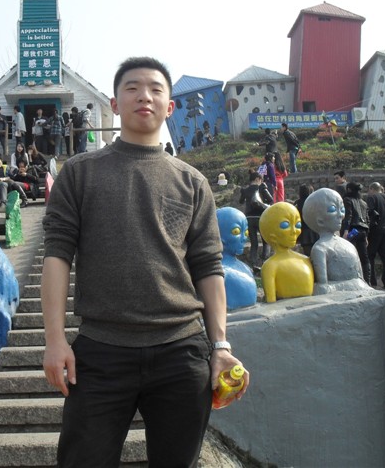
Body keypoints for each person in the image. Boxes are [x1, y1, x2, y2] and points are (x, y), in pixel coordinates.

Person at [42, 56, 248, 467]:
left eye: (155, 89)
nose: (144, 97)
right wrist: (54, 339)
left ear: (169, 107)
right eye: (132, 88)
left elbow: (208, 267)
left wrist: (221, 346)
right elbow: (57, 255)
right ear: (114, 104)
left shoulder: (192, 182)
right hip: (100, 351)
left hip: (181, 351)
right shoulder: (79, 173)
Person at [239, 170, 274, 273]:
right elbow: (271, 199)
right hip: (260, 217)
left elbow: (241, 201)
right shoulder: (261, 188)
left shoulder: (245, 190)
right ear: (258, 179)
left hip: (249, 218)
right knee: (266, 241)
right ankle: (265, 262)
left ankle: (253, 264)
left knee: (254, 243)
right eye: (261, 180)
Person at [366, 182, 385, 290]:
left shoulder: (372, 197)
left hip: (375, 230)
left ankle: (371, 281)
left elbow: (370, 213)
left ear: (372, 189)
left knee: (370, 255)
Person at [342, 182, 371, 285]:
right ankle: (367, 281)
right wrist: (366, 236)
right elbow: (367, 220)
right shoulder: (364, 203)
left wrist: (345, 230)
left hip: (352, 230)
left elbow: (348, 216)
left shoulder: (347, 200)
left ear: (349, 189)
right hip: (363, 231)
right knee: (364, 257)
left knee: (350, 255)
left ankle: (353, 279)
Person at [293, 184, 318, 257]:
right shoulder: (314, 203)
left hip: (304, 233)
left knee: (308, 257)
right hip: (316, 232)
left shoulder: (297, 204)